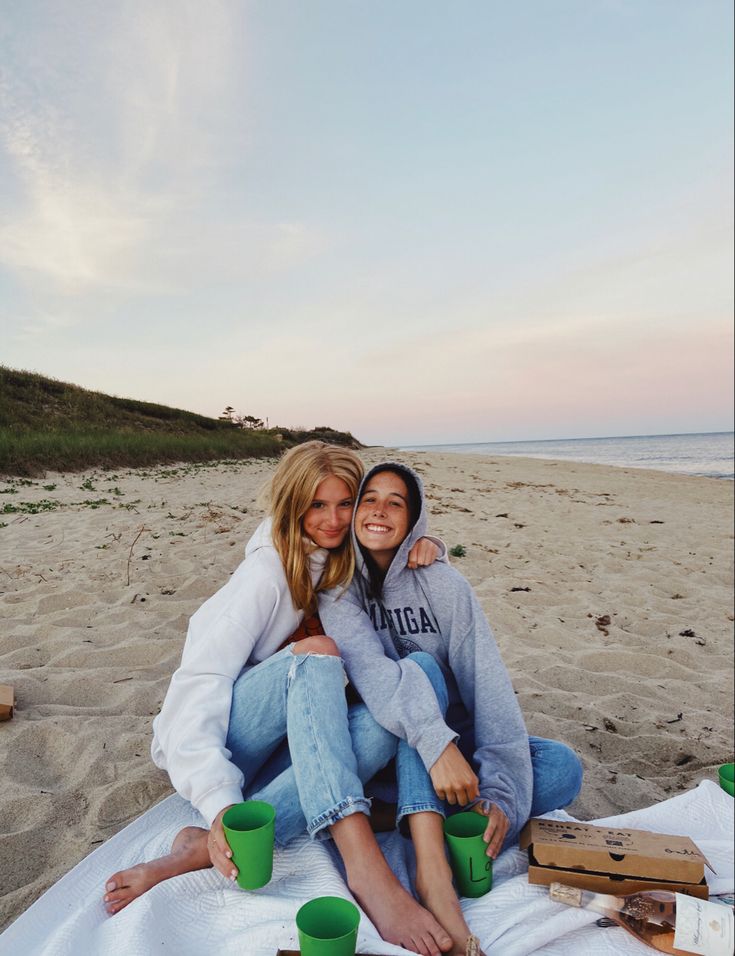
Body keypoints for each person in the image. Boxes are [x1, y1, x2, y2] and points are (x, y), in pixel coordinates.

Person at [102, 443, 457, 956]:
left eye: (344, 504)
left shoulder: (342, 561)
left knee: (386, 721)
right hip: (233, 737)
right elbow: (198, 685)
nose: (333, 520)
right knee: (316, 652)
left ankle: (199, 849)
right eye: (317, 505)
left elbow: (390, 537)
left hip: (294, 738)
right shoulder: (265, 575)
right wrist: (220, 801)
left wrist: (427, 544)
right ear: (293, 506)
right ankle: (363, 864)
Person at [319, 462, 583, 956]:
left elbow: (490, 689)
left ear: (415, 519)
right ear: (354, 513)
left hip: (450, 757)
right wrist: (435, 742)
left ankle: (396, 813)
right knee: (418, 668)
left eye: (395, 502)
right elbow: (375, 679)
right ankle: (432, 867)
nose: (378, 509)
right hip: (385, 746)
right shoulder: (338, 588)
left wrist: (501, 796)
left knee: (561, 768)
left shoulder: (444, 585)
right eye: (368, 499)